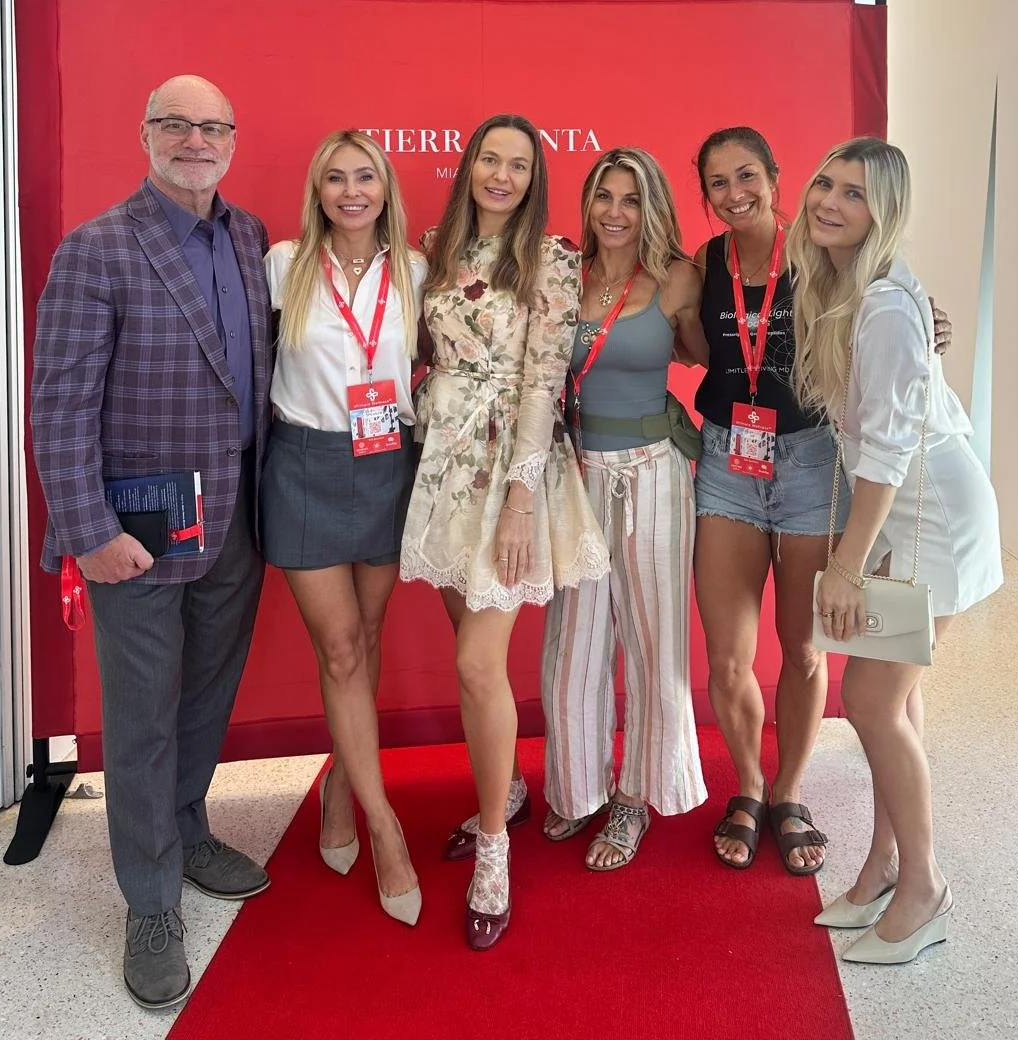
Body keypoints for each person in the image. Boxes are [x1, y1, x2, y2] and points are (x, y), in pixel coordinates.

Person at [31, 76, 272, 1012]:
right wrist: (87, 531)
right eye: (176, 124)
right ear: (145, 135)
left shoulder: (249, 238)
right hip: (133, 531)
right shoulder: (96, 249)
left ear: (232, 139)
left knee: (206, 696)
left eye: (213, 126)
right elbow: (59, 406)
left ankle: (187, 827)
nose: (195, 140)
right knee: (140, 719)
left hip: (235, 517)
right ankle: (150, 901)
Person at [690, 127, 951, 877]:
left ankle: (789, 791)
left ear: (777, 178)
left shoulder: (816, 255)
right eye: (717, 182)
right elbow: (673, 332)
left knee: (803, 649)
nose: (735, 193)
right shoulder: (702, 264)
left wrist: (929, 321)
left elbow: (885, 309)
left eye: (748, 175)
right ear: (704, 194)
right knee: (729, 657)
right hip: (728, 463)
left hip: (811, 463)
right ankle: (748, 785)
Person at [788, 137, 1001, 964]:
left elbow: (884, 450)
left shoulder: (880, 303)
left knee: (872, 700)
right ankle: (884, 863)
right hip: (903, 509)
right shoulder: (854, 287)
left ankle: (925, 887)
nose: (831, 202)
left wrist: (847, 566)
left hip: (927, 512)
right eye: (826, 184)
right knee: (897, 699)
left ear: (885, 212)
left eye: (856, 194)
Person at [400, 113, 609, 950]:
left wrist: (522, 499)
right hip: (440, 462)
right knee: (466, 644)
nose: (501, 175)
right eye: (490, 158)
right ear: (469, 166)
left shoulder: (551, 259)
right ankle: (511, 792)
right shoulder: (434, 248)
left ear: (534, 179)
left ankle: (494, 848)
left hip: (508, 471)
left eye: (518, 165)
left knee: (477, 664)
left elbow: (543, 382)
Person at [260, 130, 426, 925]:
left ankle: (340, 783)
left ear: (385, 188)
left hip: (388, 459)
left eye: (366, 176)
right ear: (318, 190)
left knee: (367, 631)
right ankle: (384, 823)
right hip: (305, 466)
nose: (352, 191)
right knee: (340, 648)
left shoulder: (417, 271)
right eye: (336, 178)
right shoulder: (283, 264)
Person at [539, 148, 708, 870]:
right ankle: (577, 787)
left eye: (631, 199)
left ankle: (636, 796)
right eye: (604, 197)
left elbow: (715, 353)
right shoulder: (562, 273)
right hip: (575, 476)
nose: (615, 212)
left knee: (652, 641)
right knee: (572, 644)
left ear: (652, 208)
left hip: (653, 475)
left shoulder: (677, 278)